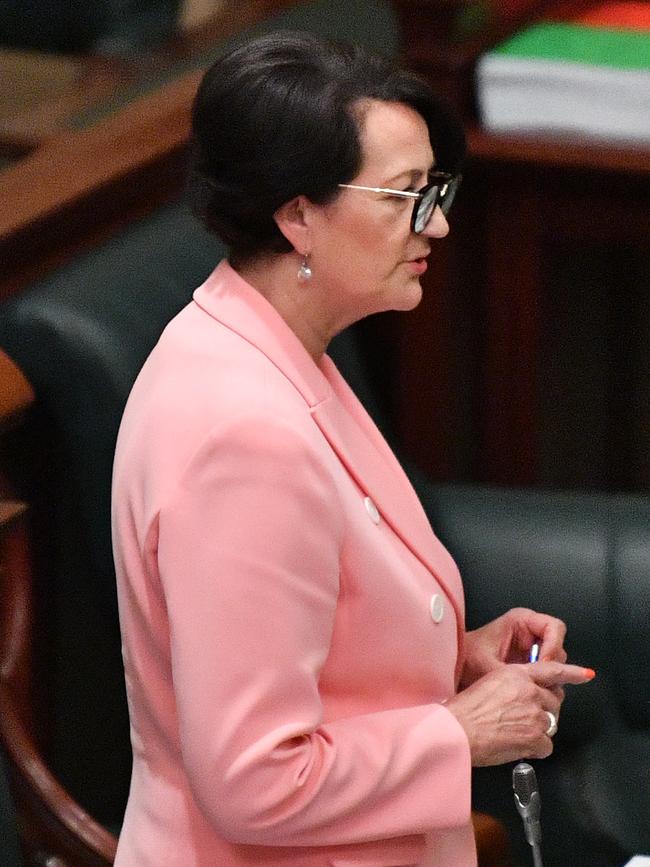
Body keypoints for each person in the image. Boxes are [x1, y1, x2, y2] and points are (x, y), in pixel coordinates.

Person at [111, 31, 595, 866]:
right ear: (298, 213)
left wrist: (451, 655)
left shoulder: (269, 348)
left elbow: (311, 634)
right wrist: (456, 733)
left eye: (435, 189)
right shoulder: (244, 436)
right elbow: (254, 778)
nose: (436, 224)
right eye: (406, 194)